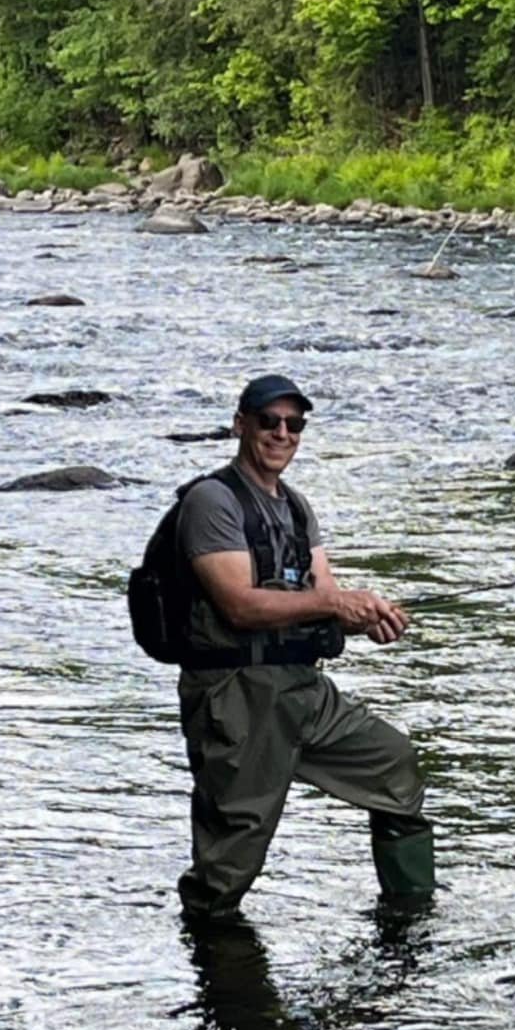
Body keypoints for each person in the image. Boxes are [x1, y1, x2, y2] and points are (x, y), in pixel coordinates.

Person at [174, 372, 435, 923]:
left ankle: (408, 923)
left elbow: (322, 596)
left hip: (303, 690)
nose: (282, 433)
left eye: (294, 424)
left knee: (396, 767)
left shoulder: (296, 508)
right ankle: (214, 965)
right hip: (235, 695)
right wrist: (337, 606)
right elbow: (239, 606)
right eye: (269, 421)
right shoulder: (211, 502)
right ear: (240, 424)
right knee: (230, 861)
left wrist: (367, 617)